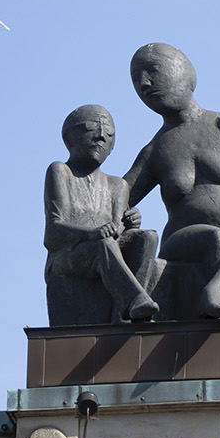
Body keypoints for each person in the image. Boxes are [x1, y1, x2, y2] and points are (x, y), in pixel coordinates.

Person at [124, 44, 220, 319]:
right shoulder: (154, 151)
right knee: (214, 237)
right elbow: (115, 196)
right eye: (136, 78)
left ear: (186, 74)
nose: (144, 83)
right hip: (186, 240)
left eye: (153, 71)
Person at [44, 105, 159, 325]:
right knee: (104, 244)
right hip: (68, 256)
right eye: (90, 128)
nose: (100, 137)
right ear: (70, 138)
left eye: (108, 133)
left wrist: (130, 225)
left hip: (105, 250)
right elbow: (53, 232)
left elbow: (118, 235)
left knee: (147, 238)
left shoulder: (118, 186)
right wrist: (92, 233)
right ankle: (136, 300)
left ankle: (124, 316)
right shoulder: (61, 171)